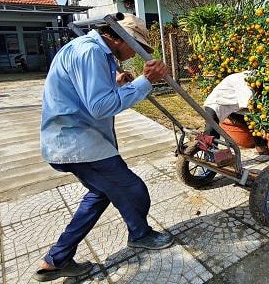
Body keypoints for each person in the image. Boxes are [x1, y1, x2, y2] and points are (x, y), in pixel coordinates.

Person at [34, 14, 173, 282]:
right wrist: (145, 81)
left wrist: (118, 83)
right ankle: (140, 234)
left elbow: (89, 94)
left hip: (73, 139)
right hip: (77, 142)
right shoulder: (90, 52)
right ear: (119, 37)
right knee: (133, 190)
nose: (136, 53)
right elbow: (100, 107)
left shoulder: (91, 50)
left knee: (100, 193)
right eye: (136, 45)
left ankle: (56, 260)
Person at [202, 71, 268, 154]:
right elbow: (249, 106)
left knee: (252, 121)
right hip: (214, 104)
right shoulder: (245, 84)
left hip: (230, 106)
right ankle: (208, 157)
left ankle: (260, 147)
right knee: (211, 132)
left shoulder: (248, 77)